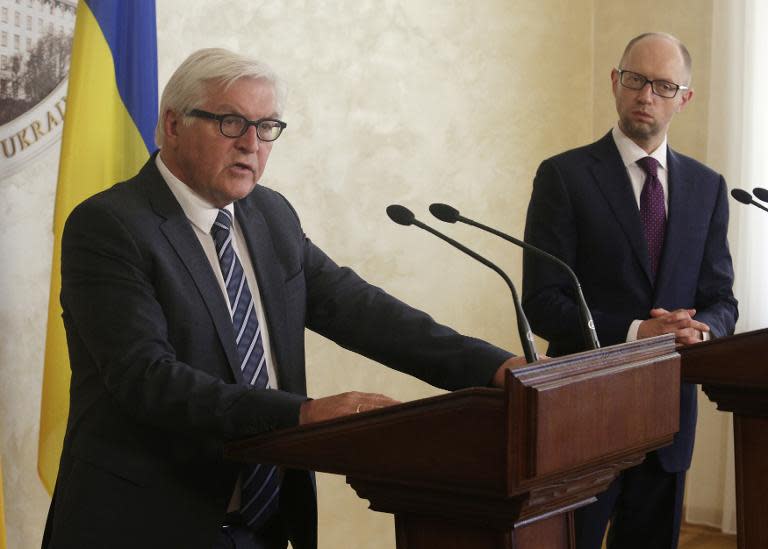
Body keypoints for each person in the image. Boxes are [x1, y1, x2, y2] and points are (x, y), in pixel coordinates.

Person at [41, 48, 524, 549]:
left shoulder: (269, 216)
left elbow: (361, 311)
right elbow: (146, 378)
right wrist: (301, 415)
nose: (252, 145)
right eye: (231, 123)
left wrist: (495, 369)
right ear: (173, 124)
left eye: (267, 126)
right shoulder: (111, 226)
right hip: (145, 524)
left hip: (264, 526)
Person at [522, 32, 737, 549]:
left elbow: (722, 299)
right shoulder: (564, 176)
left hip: (668, 420)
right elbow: (544, 302)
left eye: (663, 86)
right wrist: (640, 331)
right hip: (583, 417)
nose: (646, 96)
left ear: (683, 99)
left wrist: (701, 332)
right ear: (616, 83)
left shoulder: (707, 187)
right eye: (636, 80)